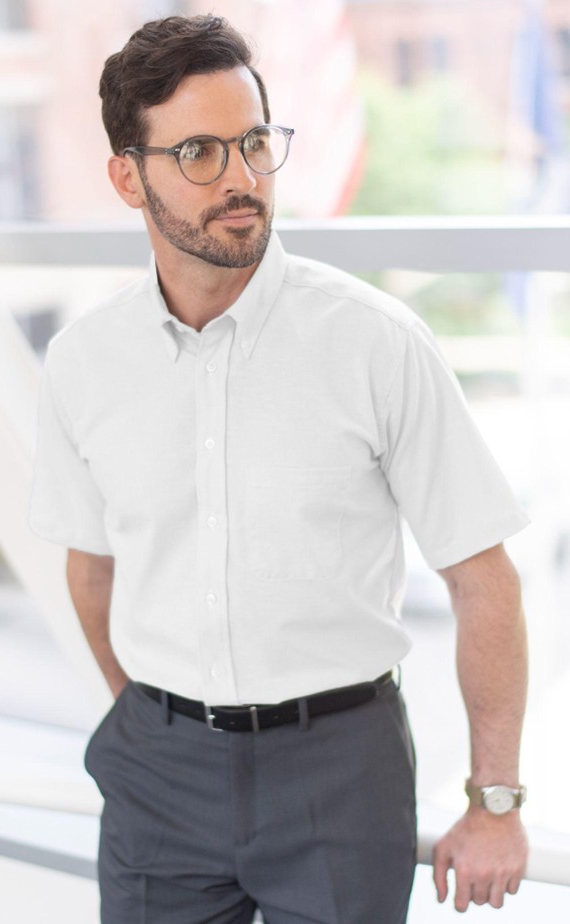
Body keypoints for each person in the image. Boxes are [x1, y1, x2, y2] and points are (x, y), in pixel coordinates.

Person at [29, 14, 529, 924]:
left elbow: (483, 579)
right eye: (200, 153)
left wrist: (494, 802)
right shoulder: (82, 362)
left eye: (256, 143)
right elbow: (90, 567)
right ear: (126, 177)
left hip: (341, 772)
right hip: (158, 773)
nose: (242, 180)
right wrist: (151, 720)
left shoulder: (377, 344)